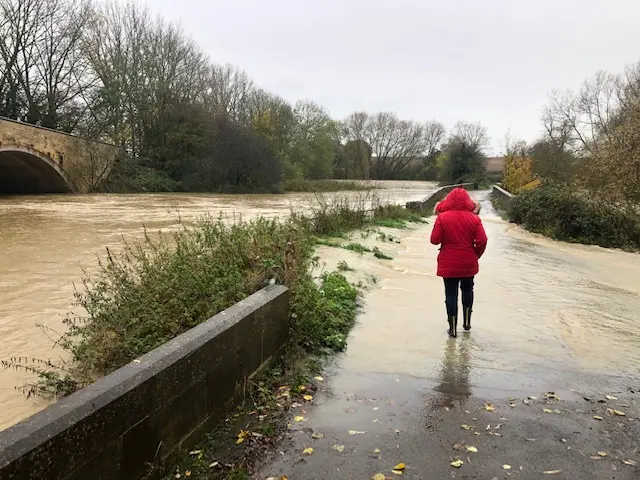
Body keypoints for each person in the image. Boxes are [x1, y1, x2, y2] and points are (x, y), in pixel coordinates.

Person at [430, 188, 487, 338]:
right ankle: (467, 323)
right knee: (468, 290)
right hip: (468, 261)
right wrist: (476, 255)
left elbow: (434, 240)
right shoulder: (475, 219)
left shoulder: (442, 218)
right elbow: (482, 241)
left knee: (451, 293)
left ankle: (453, 329)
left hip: (448, 263)